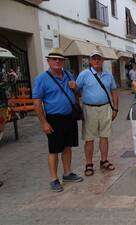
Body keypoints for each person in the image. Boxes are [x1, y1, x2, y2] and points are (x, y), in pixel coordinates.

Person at [32, 48, 83, 192]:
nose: (57, 61)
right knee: (54, 149)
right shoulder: (42, 78)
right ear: (48, 61)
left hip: (69, 117)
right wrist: (44, 123)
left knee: (68, 146)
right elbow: (37, 103)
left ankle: (67, 173)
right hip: (54, 119)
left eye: (60, 59)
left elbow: (78, 93)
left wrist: (75, 88)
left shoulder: (68, 74)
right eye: (54, 59)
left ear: (63, 62)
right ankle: (54, 179)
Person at [75, 50, 119, 176]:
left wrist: (115, 108)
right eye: (94, 59)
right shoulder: (84, 74)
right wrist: (79, 106)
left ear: (103, 60)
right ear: (90, 61)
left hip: (105, 108)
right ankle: (89, 164)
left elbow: (114, 92)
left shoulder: (108, 75)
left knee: (105, 136)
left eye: (99, 58)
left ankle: (104, 160)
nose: (96, 61)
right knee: (89, 138)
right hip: (89, 109)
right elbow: (76, 90)